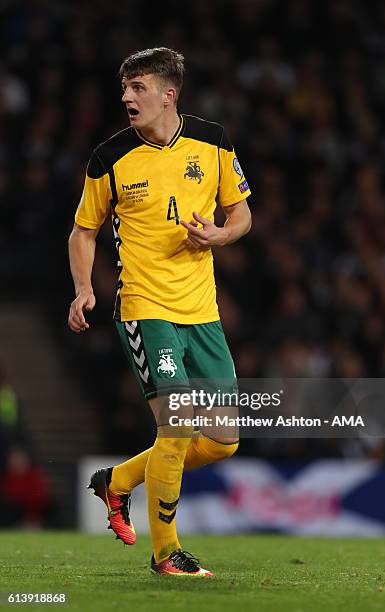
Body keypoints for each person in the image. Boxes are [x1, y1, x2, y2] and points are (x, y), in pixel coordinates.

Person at [68, 47, 251, 577]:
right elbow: (84, 230)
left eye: (138, 88)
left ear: (168, 94)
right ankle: (166, 553)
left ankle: (118, 481)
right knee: (176, 427)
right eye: (124, 87)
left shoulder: (213, 141)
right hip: (145, 306)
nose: (126, 97)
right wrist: (83, 287)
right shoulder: (110, 157)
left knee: (222, 441)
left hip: (202, 310)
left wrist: (221, 233)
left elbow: (241, 213)